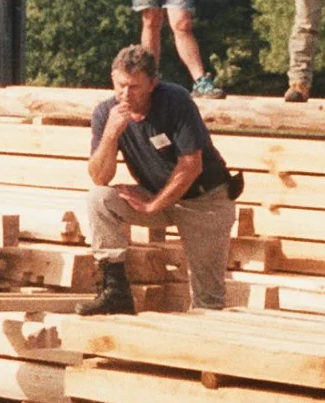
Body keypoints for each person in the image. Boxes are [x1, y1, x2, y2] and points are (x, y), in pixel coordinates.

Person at [78, 45, 237, 316]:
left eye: (134, 87)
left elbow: (191, 164)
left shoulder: (175, 100)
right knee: (99, 199)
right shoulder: (106, 113)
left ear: (152, 84)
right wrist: (111, 135)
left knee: (208, 298)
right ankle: (115, 291)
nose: (126, 94)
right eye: (120, 86)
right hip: (157, 194)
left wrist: (153, 205)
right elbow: (99, 176)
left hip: (204, 199)